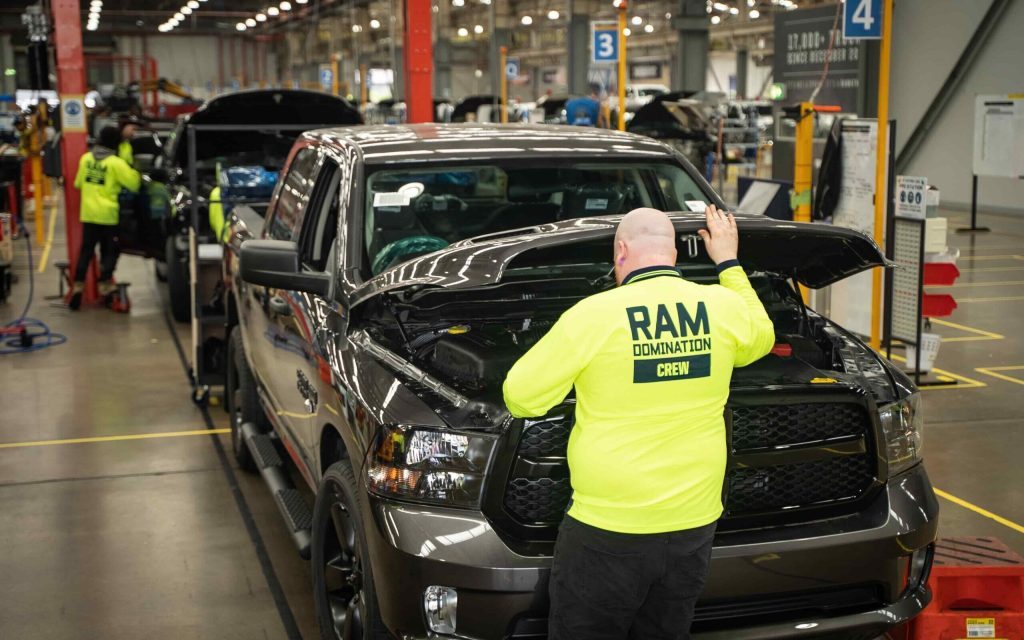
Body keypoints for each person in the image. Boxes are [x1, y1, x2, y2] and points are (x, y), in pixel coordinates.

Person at [503, 206, 775, 640]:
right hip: (693, 525)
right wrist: (728, 261)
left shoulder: (593, 315)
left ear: (622, 250)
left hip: (607, 530)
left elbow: (520, 396)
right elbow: (762, 338)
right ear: (674, 254)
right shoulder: (721, 306)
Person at [70, 125, 141, 310]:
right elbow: (134, 183)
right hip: (108, 216)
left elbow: (78, 183)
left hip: (88, 214)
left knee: (86, 251)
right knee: (110, 251)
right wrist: (135, 170)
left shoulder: (86, 159)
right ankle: (105, 286)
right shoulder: (115, 163)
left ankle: (77, 287)